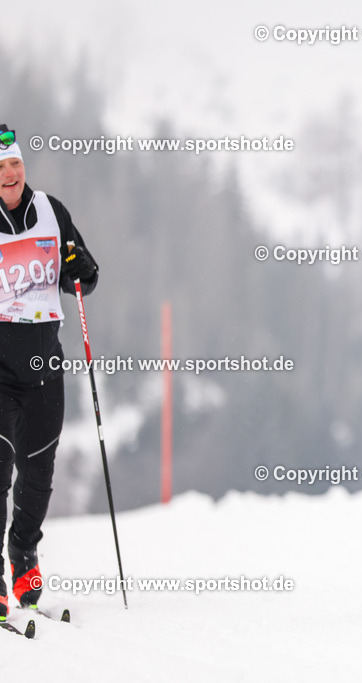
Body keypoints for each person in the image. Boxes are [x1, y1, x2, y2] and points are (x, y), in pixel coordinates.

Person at [0, 124, 99, 620]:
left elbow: (85, 270)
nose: (9, 174)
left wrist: (80, 269)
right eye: (0, 169)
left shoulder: (51, 212)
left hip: (46, 367)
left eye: (14, 164)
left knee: (38, 474)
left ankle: (23, 555)